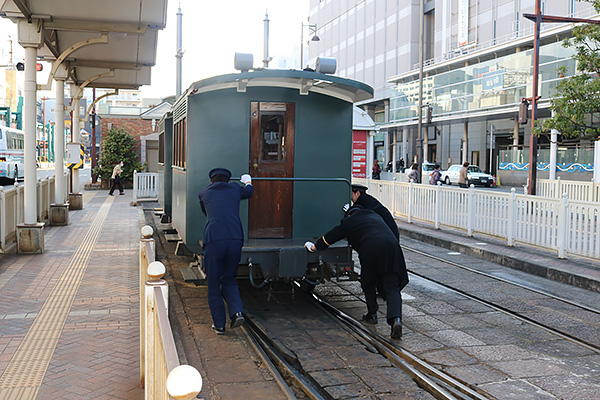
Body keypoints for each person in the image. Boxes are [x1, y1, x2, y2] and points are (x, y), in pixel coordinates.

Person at [306, 205, 408, 339]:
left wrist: (314, 246)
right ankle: (396, 319)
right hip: (392, 246)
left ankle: (372, 314)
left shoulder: (350, 221)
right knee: (392, 286)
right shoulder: (374, 215)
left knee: (369, 282)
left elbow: (332, 236)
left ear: (349, 215)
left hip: (370, 248)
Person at [198, 168, 254, 335]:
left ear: (211, 181)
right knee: (229, 279)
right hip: (235, 239)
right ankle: (236, 312)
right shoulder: (236, 189)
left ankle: (219, 325)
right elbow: (249, 192)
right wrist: (248, 181)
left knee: (214, 283)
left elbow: (205, 212)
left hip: (214, 240)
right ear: (228, 181)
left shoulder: (203, 193)